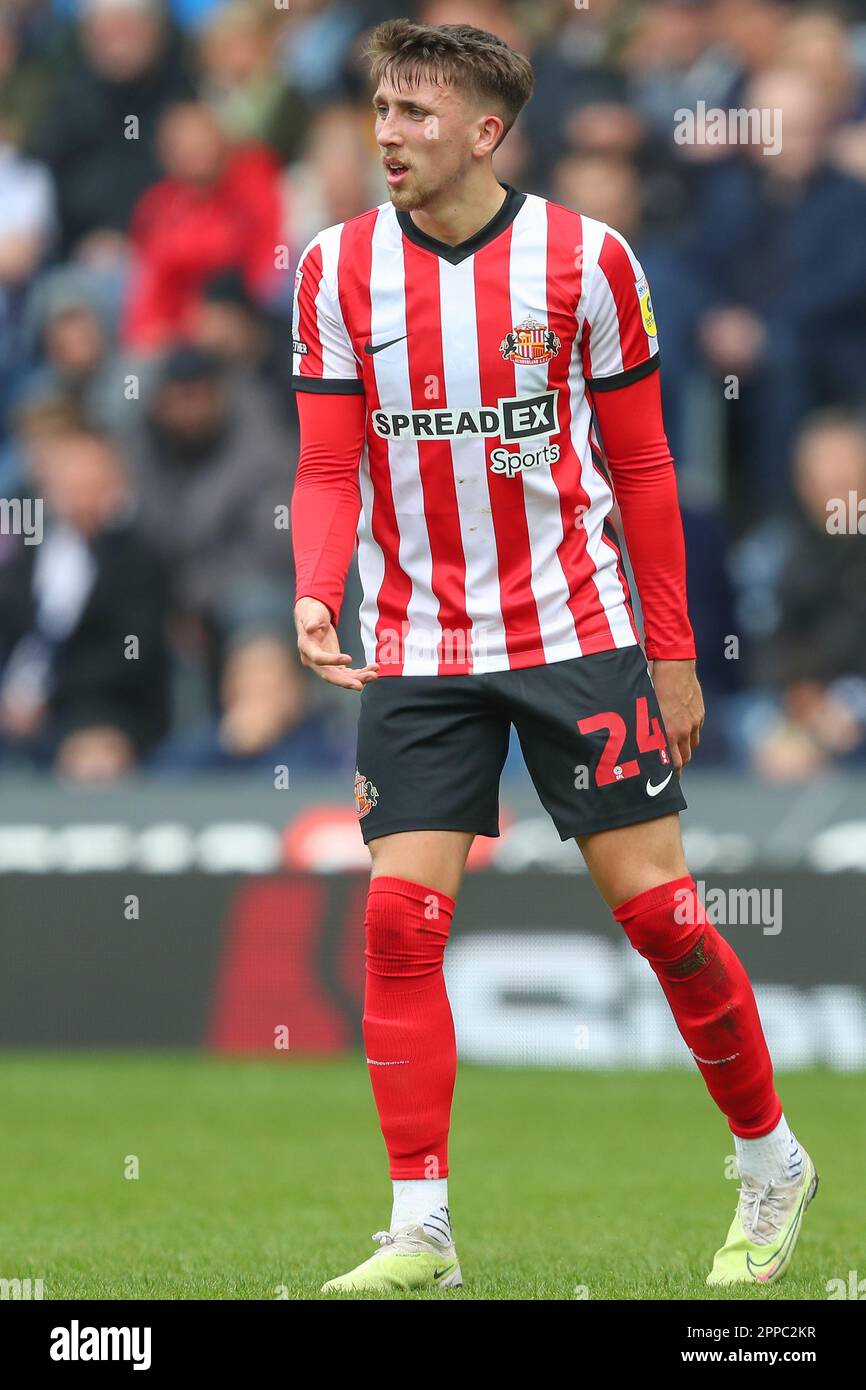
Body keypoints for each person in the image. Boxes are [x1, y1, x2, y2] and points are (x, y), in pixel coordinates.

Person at [289, 18, 816, 1294]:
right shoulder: (334, 269)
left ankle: (769, 1159)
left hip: (576, 633)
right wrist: (315, 592)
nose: (388, 133)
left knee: (663, 922)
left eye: (417, 114)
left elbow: (641, 466)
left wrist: (673, 653)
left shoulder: (587, 261)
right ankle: (420, 1225)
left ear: (484, 131)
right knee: (399, 928)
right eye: (381, 108)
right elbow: (324, 461)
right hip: (415, 642)